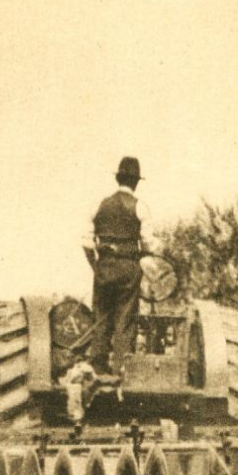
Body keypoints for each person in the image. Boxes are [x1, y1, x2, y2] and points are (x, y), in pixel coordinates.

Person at [83, 156, 148, 378]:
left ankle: (98, 367)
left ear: (118, 178)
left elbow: (85, 241)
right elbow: (149, 243)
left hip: (104, 265)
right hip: (129, 266)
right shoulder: (140, 207)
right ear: (136, 182)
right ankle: (122, 368)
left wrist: (96, 265)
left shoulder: (99, 204)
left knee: (101, 315)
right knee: (125, 317)